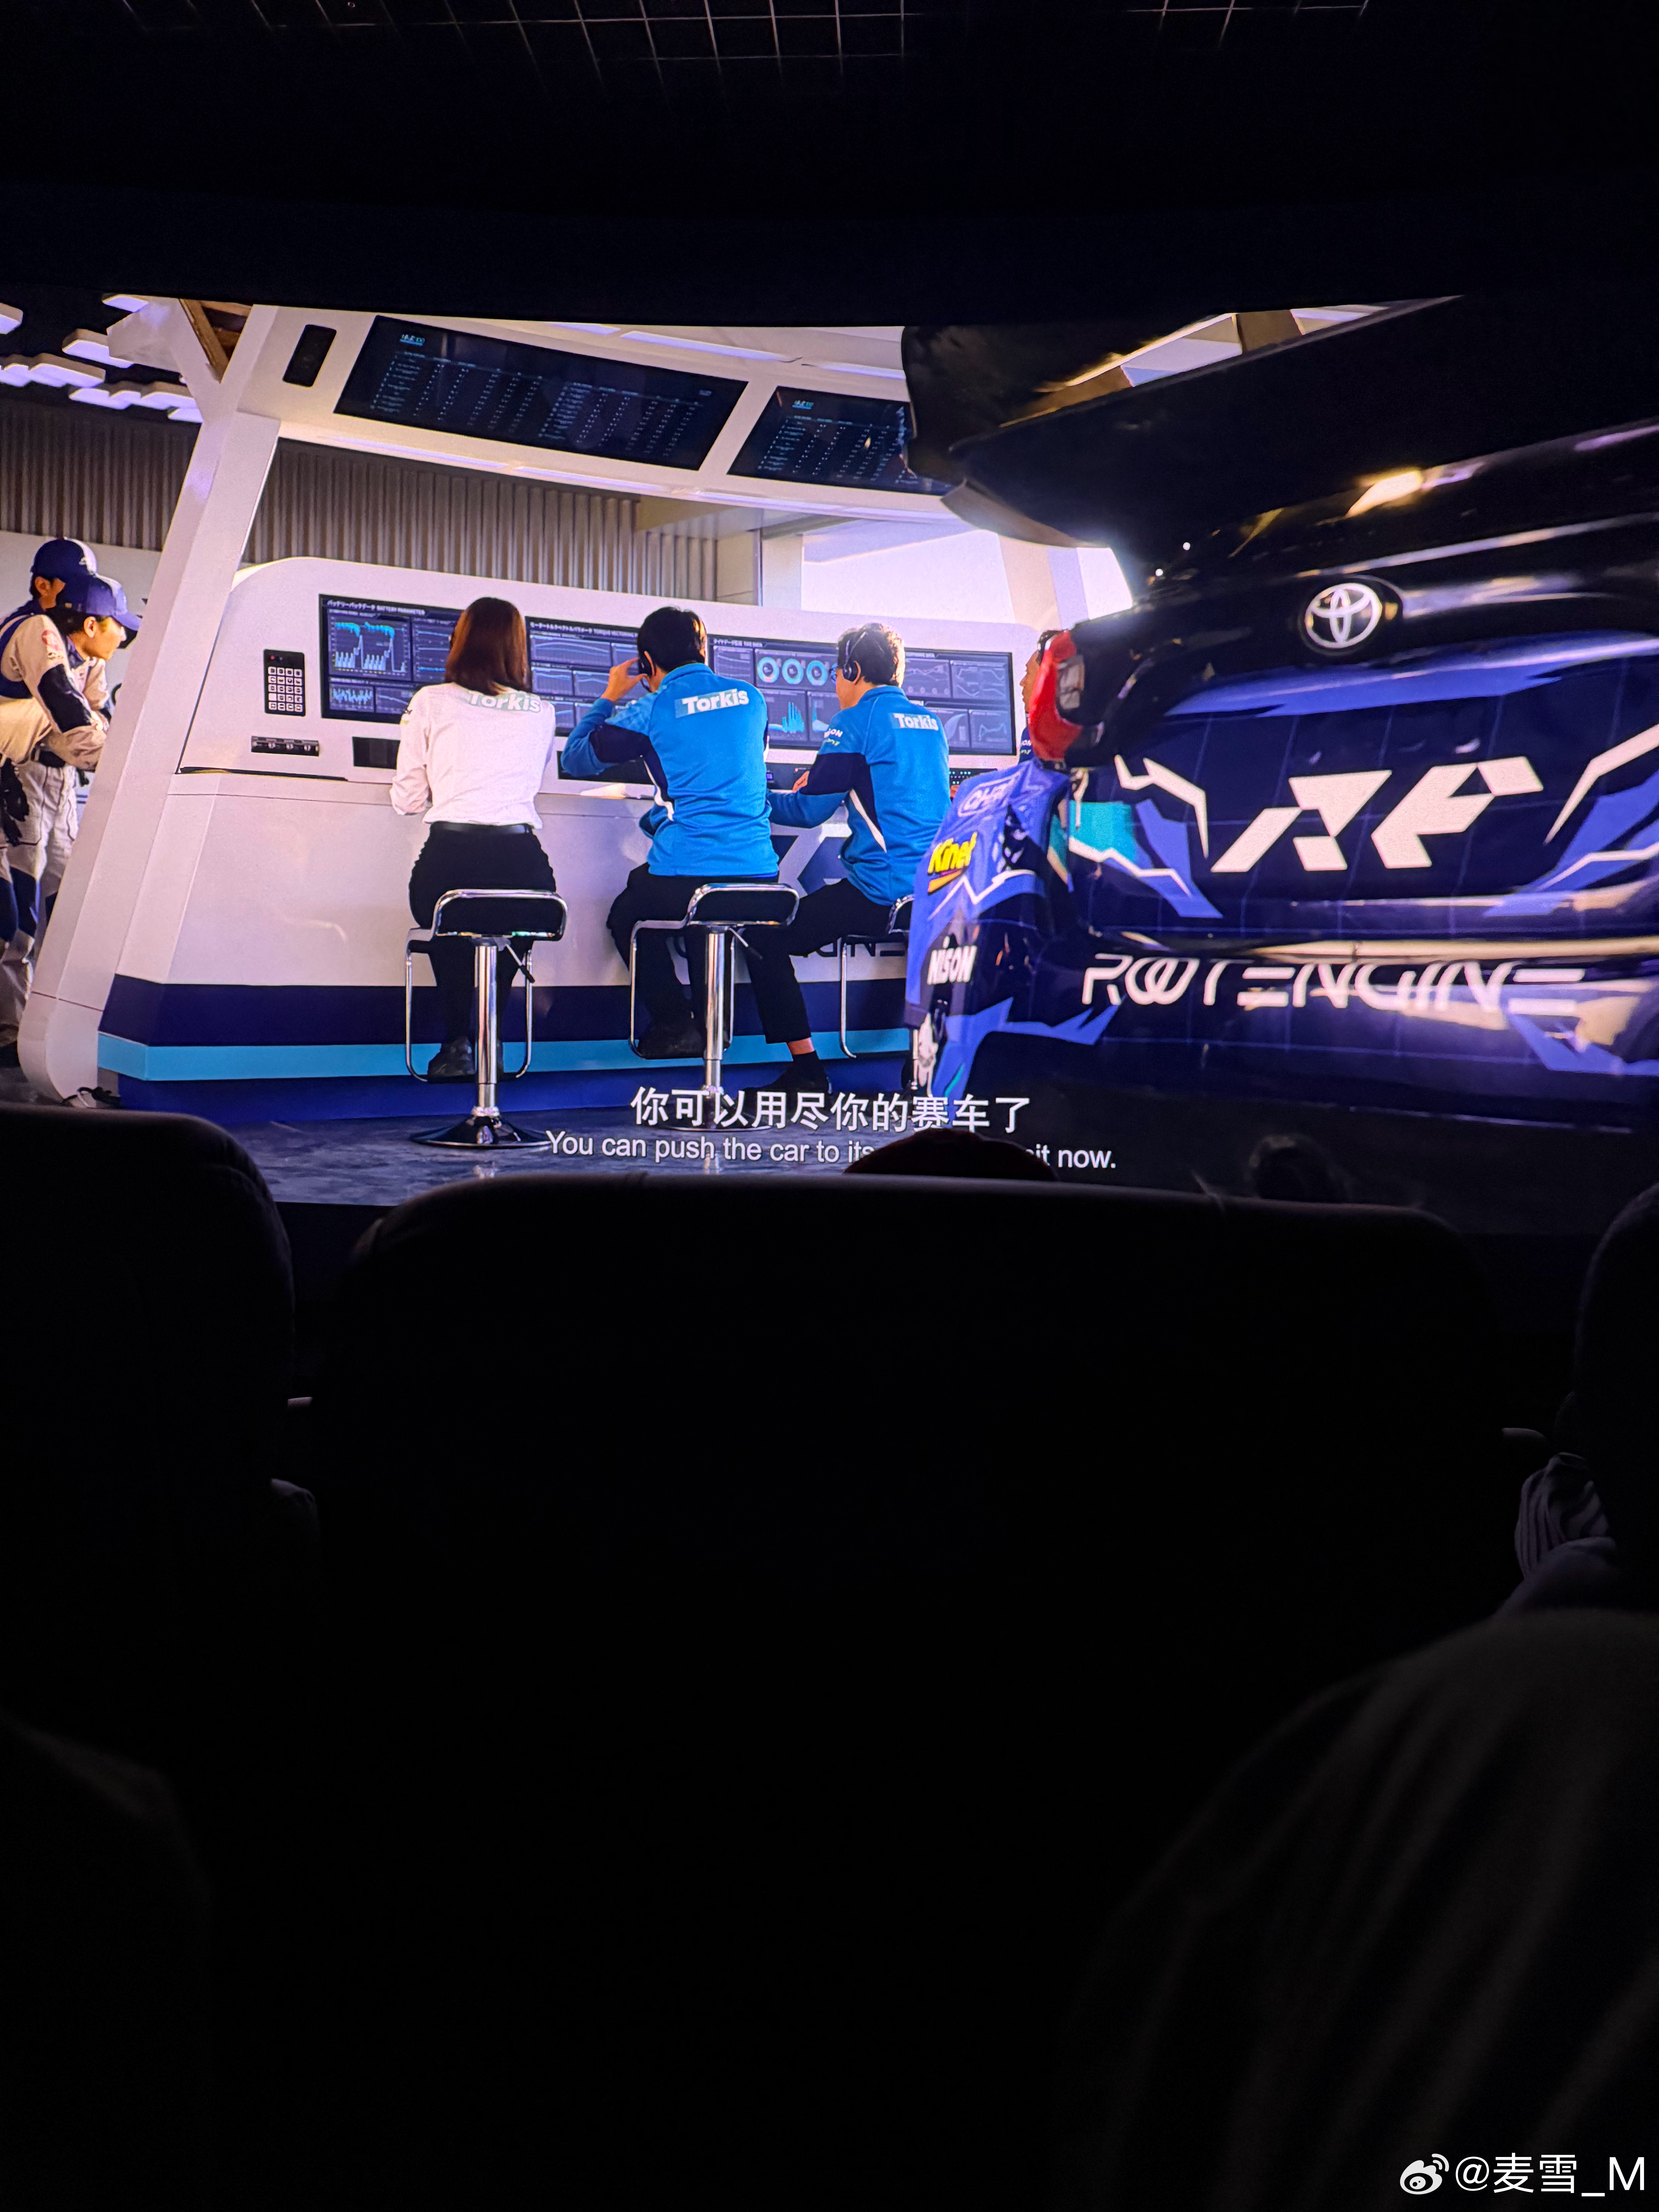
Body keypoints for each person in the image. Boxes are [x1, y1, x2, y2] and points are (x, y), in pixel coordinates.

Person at [745, 621, 949, 1097]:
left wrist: (750, 799)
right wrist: (826, 782)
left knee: (761, 938)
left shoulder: (854, 721)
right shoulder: (930, 723)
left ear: (853, 671)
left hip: (880, 892)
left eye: (837, 673)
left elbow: (809, 813)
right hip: (934, 892)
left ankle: (808, 1072)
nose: (836, 683)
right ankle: (922, 1070)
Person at [563, 605, 775, 1061]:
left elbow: (576, 759)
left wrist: (610, 696)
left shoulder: (653, 708)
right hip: (759, 873)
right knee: (700, 911)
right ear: (703, 649)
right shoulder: (752, 697)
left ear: (647, 663)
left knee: (630, 912)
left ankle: (677, 1024)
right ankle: (713, 1032)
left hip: (691, 873)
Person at [392, 596, 559, 1082]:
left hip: (451, 858)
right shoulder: (542, 710)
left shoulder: (430, 701)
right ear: (518, 647)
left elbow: (407, 799)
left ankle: (457, 1044)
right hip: (525, 867)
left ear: (460, 641)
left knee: (450, 930)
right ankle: (493, 1040)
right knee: (509, 933)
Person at [0, 556, 137, 1061]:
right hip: (16, 779)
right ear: (92, 622)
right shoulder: (36, 631)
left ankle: (52, 1031)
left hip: (58, 784)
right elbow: (69, 712)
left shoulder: (85, 654)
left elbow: (94, 715)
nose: (125, 635)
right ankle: (11, 1036)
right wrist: (133, 766)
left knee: (66, 911)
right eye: (119, 624)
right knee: (17, 916)